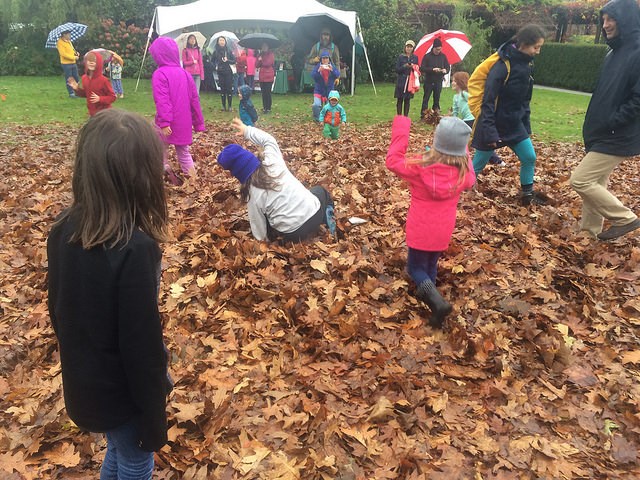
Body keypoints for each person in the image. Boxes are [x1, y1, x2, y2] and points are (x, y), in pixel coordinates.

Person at [47, 109, 172, 479]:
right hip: (124, 395)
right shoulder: (134, 250)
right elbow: (142, 346)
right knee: (136, 460)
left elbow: (58, 309)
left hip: (85, 383)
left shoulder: (63, 228)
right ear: (141, 177)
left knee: (118, 449)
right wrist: (153, 413)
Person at [386, 115, 475, 327]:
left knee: (415, 268)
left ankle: (436, 302)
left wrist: (401, 127)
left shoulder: (419, 167)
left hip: (420, 228)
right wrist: (463, 151)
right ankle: (429, 298)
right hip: (443, 230)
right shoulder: (464, 174)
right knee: (431, 263)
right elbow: (471, 173)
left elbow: (392, 161)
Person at [570, 0, 640, 240]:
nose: (605, 25)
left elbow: (638, 99)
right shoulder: (613, 53)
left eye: (611, 19)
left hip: (618, 134)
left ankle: (625, 218)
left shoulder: (638, 52)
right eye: (603, 19)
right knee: (596, 182)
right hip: (601, 132)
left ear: (626, 20)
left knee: (580, 180)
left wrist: (613, 121)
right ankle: (590, 232)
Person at [218, 118, 336, 242]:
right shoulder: (272, 160)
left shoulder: (251, 194)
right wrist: (247, 130)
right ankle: (326, 217)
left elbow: (258, 226)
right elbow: (268, 140)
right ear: (249, 156)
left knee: (265, 215)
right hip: (315, 214)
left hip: (293, 233)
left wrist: (264, 242)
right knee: (319, 191)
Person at [471, 24, 548, 206]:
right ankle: (460, 192)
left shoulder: (528, 65)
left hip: (514, 124)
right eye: (535, 47)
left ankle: (527, 195)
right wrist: (489, 131)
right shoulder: (502, 66)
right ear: (523, 44)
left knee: (529, 157)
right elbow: (488, 101)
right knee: (477, 165)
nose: (538, 52)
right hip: (493, 123)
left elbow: (525, 100)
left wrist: (526, 125)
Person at [149, 37, 205, 181]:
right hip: (184, 122)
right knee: (183, 152)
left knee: (160, 147)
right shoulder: (185, 74)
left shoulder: (160, 74)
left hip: (168, 122)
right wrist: (198, 123)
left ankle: (163, 172)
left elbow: (163, 100)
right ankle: (193, 180)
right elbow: (194, 100)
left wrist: (165, 122)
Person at [451, 71, 504, 166]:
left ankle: (497, 160)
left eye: (454, 81)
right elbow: (455, 112)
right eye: (452, 81)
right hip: (465, 122)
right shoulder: (455, 97)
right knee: (468, 142)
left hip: (472, 120)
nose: (452, 83)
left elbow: (476, 100)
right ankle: (460, 160)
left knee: (478, 142)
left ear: (460, 82)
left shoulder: (464, 94)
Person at [67, 50, 117, 117]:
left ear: (99, 63)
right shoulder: (84, 78)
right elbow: (87, 94)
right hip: (92, 113)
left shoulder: (104, 80)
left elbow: (112, 97)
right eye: (89, 60)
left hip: (104, 114)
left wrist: (100, 98)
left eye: (94, 61)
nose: (91, 63)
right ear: (86, 62)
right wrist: (77, 89)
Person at [419, 37, 450, 118]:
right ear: (433, 48)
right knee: (426, 98)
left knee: (437, 98)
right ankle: (423, 114)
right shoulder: (427, 56)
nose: (438, 51)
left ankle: (436, 114)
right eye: (437, 49)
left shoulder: (443, 56)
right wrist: (432, 69)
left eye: (440, 49)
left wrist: (445, 70)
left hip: (438, 81)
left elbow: (448, 67)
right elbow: (422, 68)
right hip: (429, 80)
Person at [311, 50, 340, 121]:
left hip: (329, 90)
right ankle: (317, 118)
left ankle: (329, 117)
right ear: (321, 59)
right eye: (323, 58)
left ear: (329, 59)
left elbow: (337, 74)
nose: (325, 60)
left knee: (331, 106)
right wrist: (318, 71)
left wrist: (332, 70)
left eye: (326, 58)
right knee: (316, 105)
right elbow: (313, 76)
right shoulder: (318, 66)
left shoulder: (332, 66)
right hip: (319, 90)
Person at [394, 40, 419, 117]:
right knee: (400, 99)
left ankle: (405, 116)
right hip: (401, 80)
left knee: (407, 100)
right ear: (405, 48)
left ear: (413, 48)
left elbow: (417, 69)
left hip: (410, 81)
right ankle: (399, 116)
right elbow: (397, 70)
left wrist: (413, 67)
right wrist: (404, 66)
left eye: (410, 47)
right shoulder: (401, 57)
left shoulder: (415, 58)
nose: (409, 48)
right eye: (407, 47)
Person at [212, 36, 236, 111]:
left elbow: (234, 61)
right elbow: (212, 61)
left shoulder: (229, 50)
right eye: (220, 40)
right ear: (218, 42)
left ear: (225, 42)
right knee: (222, 89)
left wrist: (228, 60)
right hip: (220, 72)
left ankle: (229, 105)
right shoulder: (215, 51)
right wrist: (215, 66)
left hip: (228, 72)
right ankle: (223, 105)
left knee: (229, 89)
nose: (222, 42)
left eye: (223, 40)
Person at [56, 30, 80, 98]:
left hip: (73, 63)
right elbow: (63, 54)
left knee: (76, 78)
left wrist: (76, 53)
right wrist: (74, 57)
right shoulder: (60, 42)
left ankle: (77, 92)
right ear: (64, 35)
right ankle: (71, 93)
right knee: (69, 78)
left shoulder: (69, 41)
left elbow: (72, 50)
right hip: (66, 64)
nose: (70, 36)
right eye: (69, 34)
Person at [256, 43, 275, 113]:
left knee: (268, 92)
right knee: (263, 93)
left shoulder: (271, 54)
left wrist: (261, 60)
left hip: (269, 75)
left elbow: (268, 63)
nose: (263, 48)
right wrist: (259, 60)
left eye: (265, 46)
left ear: (268, 47)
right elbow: (257, 65)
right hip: (262, 76)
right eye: (262, 46)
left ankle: (268, 107)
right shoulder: (260, 54)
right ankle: (264, 107)